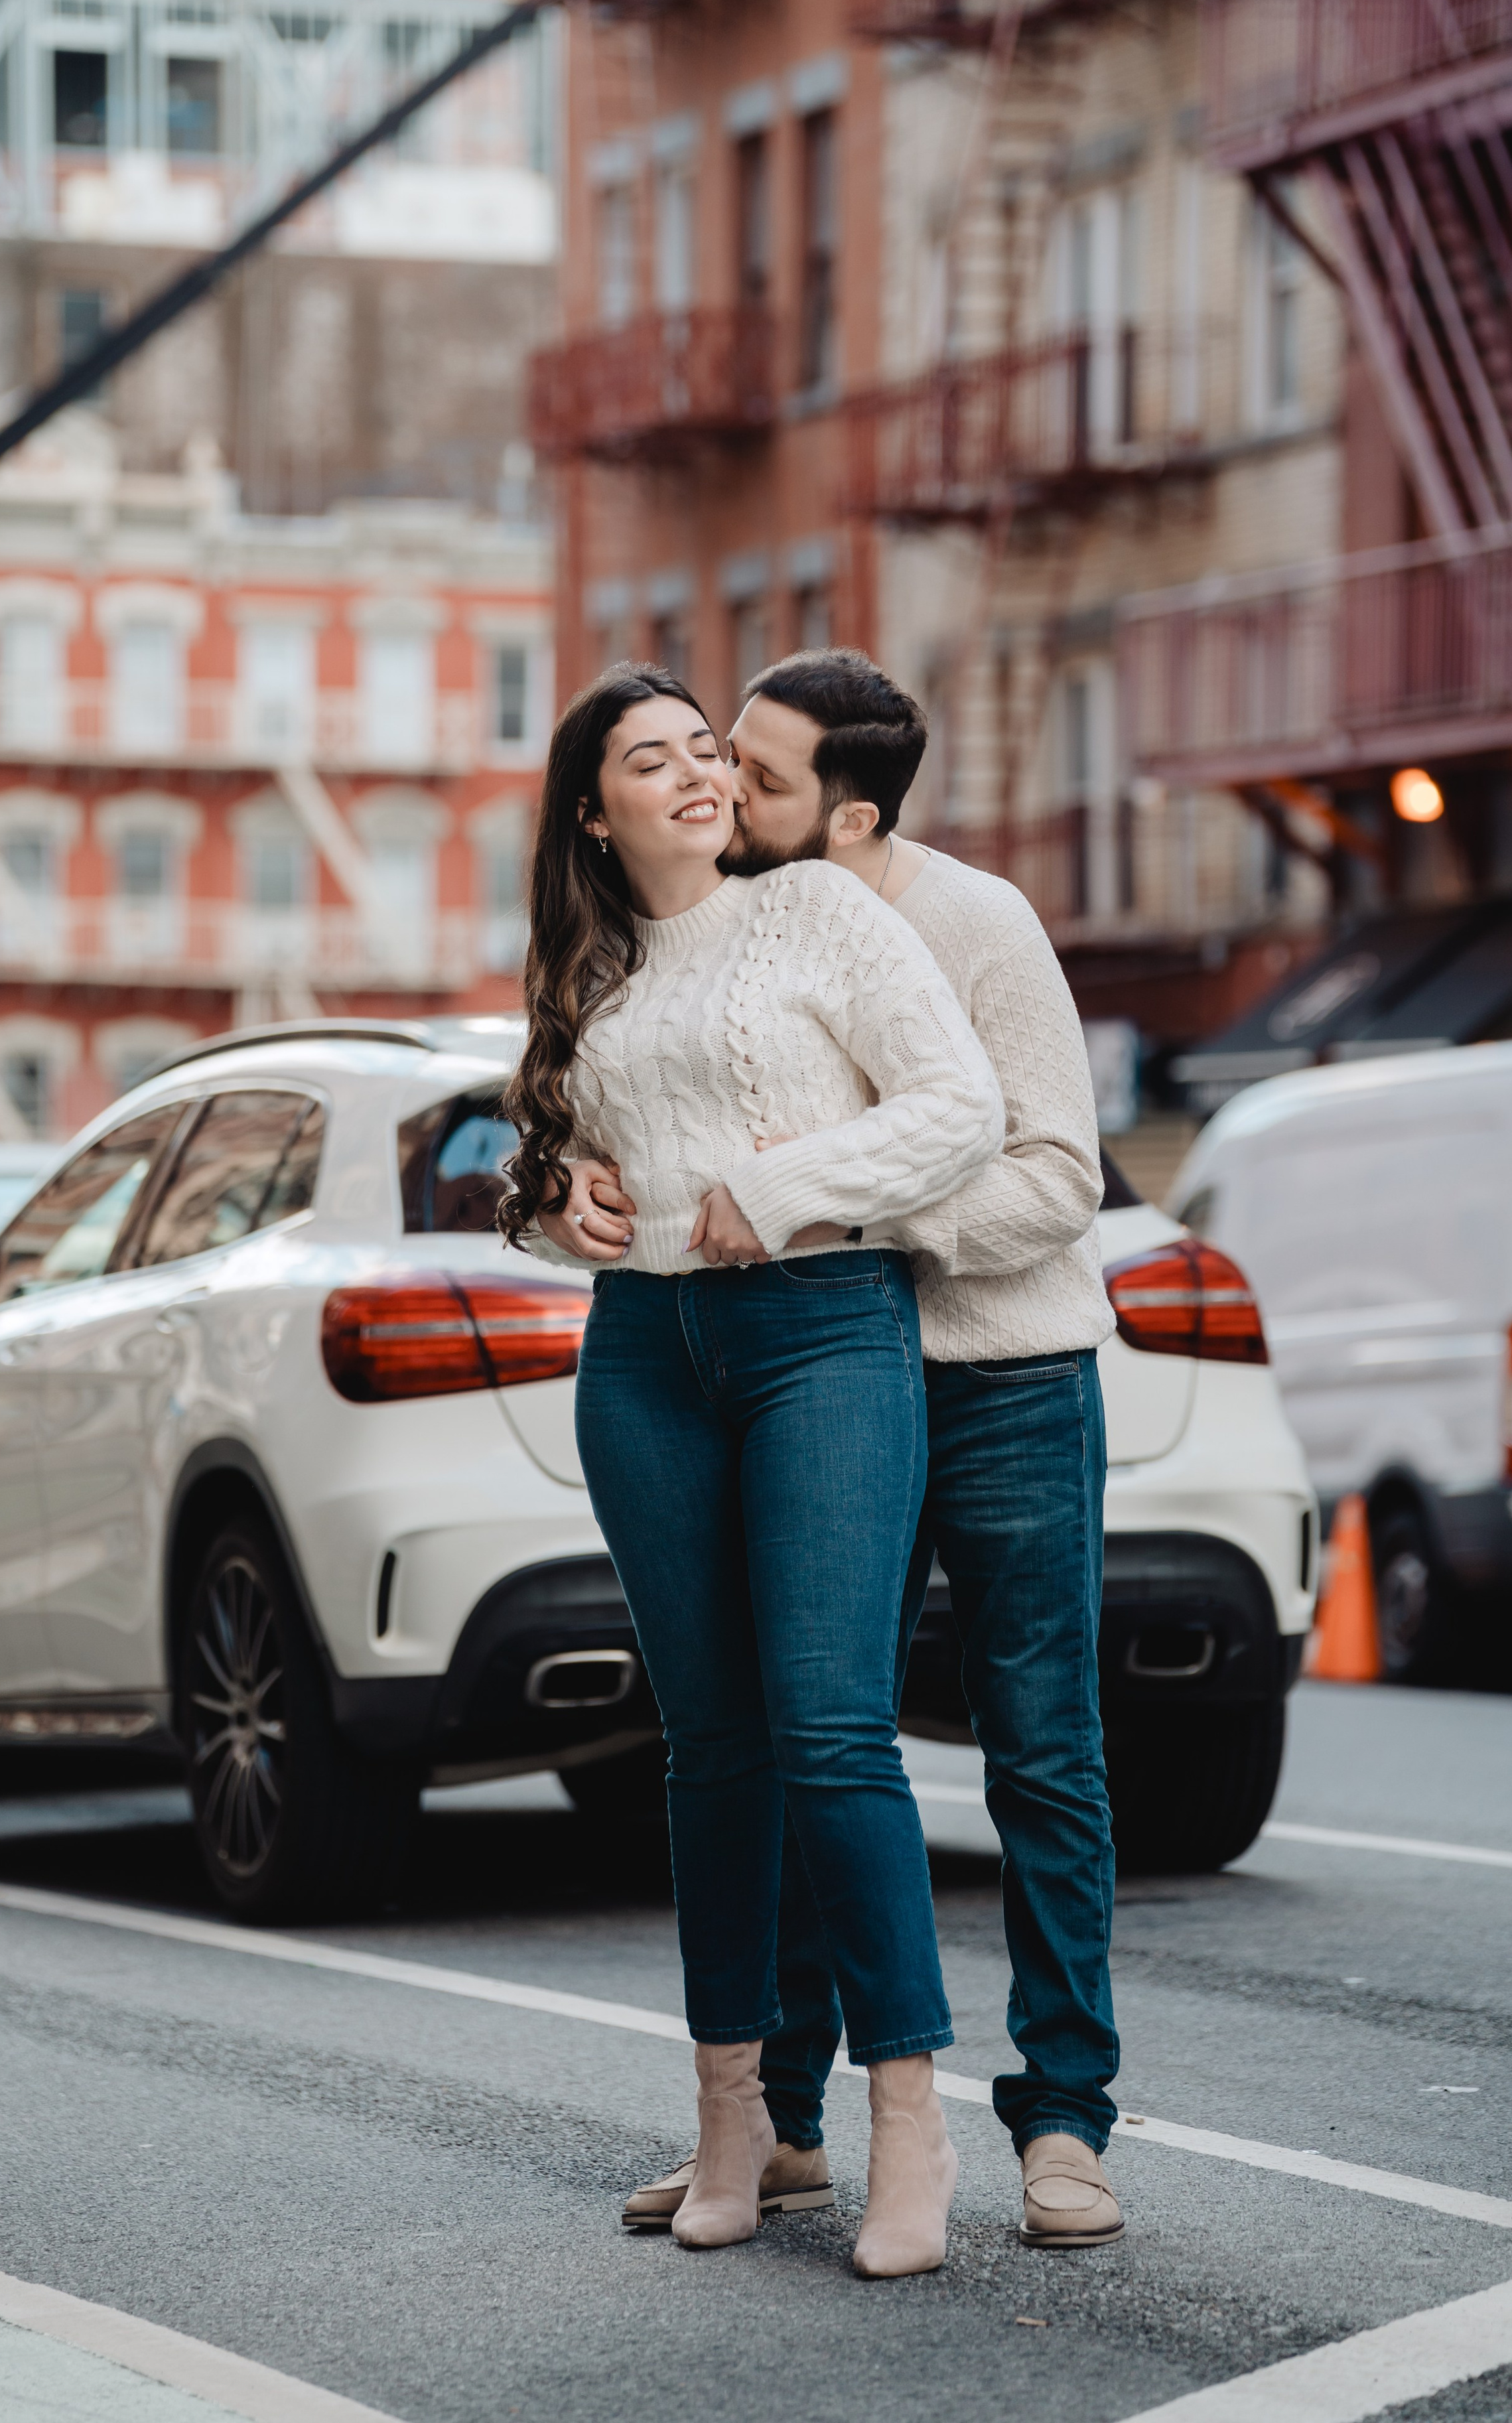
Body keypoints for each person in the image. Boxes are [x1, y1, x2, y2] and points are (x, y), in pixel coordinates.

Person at [549, 648, 1125, 2252]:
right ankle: (779, 2120)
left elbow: (1052, 1175)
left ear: (848, 813)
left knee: (1035, 1751)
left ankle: (1061, 2118)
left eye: (752, 768)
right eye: (688, 755)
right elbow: (590, 1135)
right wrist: (574, 1203)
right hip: (787, 1359)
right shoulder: (662, 939)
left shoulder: (958, 924)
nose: (718, 780)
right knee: (788, 1732)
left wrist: (826, 1205)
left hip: (987, 1366)